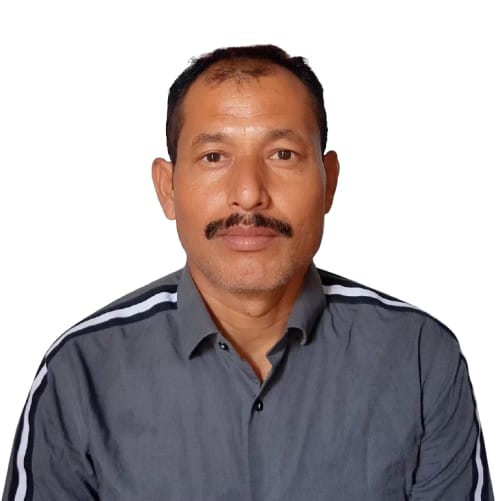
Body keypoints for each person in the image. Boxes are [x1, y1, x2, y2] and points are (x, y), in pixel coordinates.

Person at [2, 44, 494, 501]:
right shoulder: (80, 372)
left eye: (282, 155)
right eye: (214, 157)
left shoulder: (419, 357)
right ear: (168, 188)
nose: (249, 194)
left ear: (329, 182)